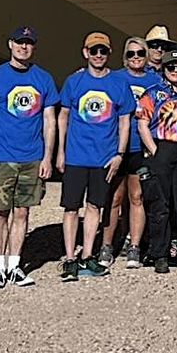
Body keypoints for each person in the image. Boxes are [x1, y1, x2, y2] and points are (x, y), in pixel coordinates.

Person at [0, 25, 59, 289]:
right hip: (2, 156)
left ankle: (15, 264)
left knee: (22, 212)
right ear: (10, 44)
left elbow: (50, 121)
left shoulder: (43, 79)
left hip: (31, 157)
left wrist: (47, 157)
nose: (24, 47)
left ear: (34, 47)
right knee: (0, 212)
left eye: (29, 43)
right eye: (20, 42)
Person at [56, 32, 135, 281]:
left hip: (104, 157)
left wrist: (119, 154)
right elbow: (63, 117)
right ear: (85, 53)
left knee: (95, 207)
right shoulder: (74, 82)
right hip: (76, 157)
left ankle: (88, 255)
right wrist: (60, 151)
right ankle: (70, 257)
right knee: (71, 207)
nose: (98, 55)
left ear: (109, 54)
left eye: (103, 51)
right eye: (94, 51)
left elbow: (125, 122)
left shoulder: (118, 84)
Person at [136, 49, 177, 275]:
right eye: (170, 67)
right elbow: (142, 124)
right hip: (162, 146)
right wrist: (155, 151)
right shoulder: (153, 93)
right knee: (160, 204)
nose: (175, 71)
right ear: (164, 70)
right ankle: (160, 254)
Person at [101, 37, 153, 268]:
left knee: (137, 197)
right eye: (131, 54)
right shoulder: (115, 78)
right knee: (114, 198)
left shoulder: (155, 80)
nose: (135, 58)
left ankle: (135, 246)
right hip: (117, 147)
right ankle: (106, 246)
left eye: (140, 53)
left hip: (141, 148)